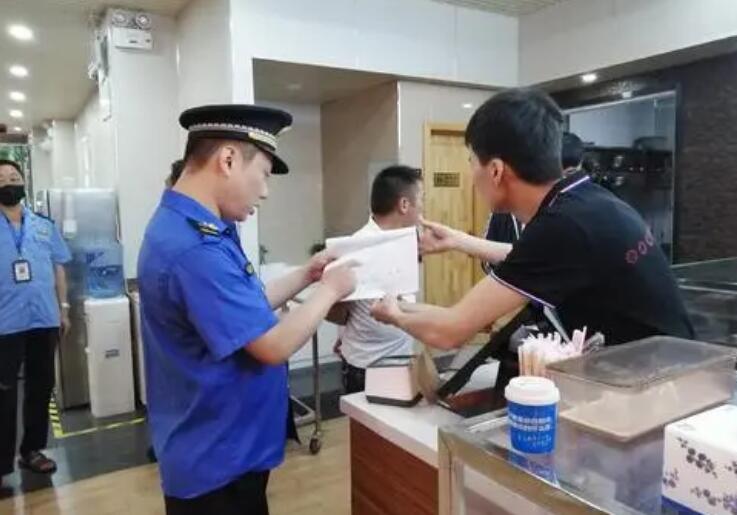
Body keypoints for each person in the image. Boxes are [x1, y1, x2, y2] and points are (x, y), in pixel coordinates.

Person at [138, 105, 356, 515]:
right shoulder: (195, 248)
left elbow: (243, 309)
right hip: (216, 461)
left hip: (224, 447)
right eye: (264, 174)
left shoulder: (198, 227)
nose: (265, 191)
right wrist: (331, 290)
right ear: (228, 160)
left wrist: (306, 275)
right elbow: (271, 345)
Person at [373, 88, 693, 356]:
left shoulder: (561, 226)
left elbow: (450, 332)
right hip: (670, 369)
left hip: (660, 385)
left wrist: (394, 315)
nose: (471, 175)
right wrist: (457, 241)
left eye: (472, 162)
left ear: (495, 171)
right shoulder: (585, 200)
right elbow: (523, 256)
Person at [0, 159, 72, 484]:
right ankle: (1, 463)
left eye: (14, 176)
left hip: (44, 317)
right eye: (2, 178)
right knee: (3, 393)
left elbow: (59, 267)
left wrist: (64, 308)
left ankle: (32, 450)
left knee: (40, 387)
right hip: (5, 322)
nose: (9, 181)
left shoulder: (44, 225)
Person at [328, 165, 423, 393]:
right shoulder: (357, 247)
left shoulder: (405, 241)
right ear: (404, 204)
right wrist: (348, 328)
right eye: (421, 199)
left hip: (402, 360)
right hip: (367, 368)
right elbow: (333, 311)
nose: (423, 207)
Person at [479, 131, 585, 275]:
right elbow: (487, 261)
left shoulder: (584, 212)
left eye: (569, 175)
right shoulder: (509, 206)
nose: (561, 183)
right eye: (554, 176)